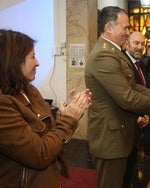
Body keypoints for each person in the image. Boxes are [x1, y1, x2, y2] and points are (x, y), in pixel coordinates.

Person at [84, 6, 150, 188]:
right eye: (125, 28)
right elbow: (127, 97)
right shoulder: (104, 54)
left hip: (120, 133)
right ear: (109, 28)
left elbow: (133, 86)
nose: (128, 32)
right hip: (109, 138)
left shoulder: (115, 52)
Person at [0, 29, 92, 188]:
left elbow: (46, 134)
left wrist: (65, 115)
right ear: (14, 61)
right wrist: (68, 119)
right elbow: (39, 153)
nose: (38, 63)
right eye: (33, 57)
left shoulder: (29, 90)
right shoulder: (3, 104)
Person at [122, 31, 150, 187]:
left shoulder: (141, 64)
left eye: (142, 43)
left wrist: (144, 114)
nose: (140, 47)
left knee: (132, 165)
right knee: (124, 171)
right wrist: (138, 118)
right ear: (126, 44)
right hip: (126, 124)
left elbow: (142, 90)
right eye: (136, 43)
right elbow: (126, 96)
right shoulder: (123, 64)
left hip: (137, 123)